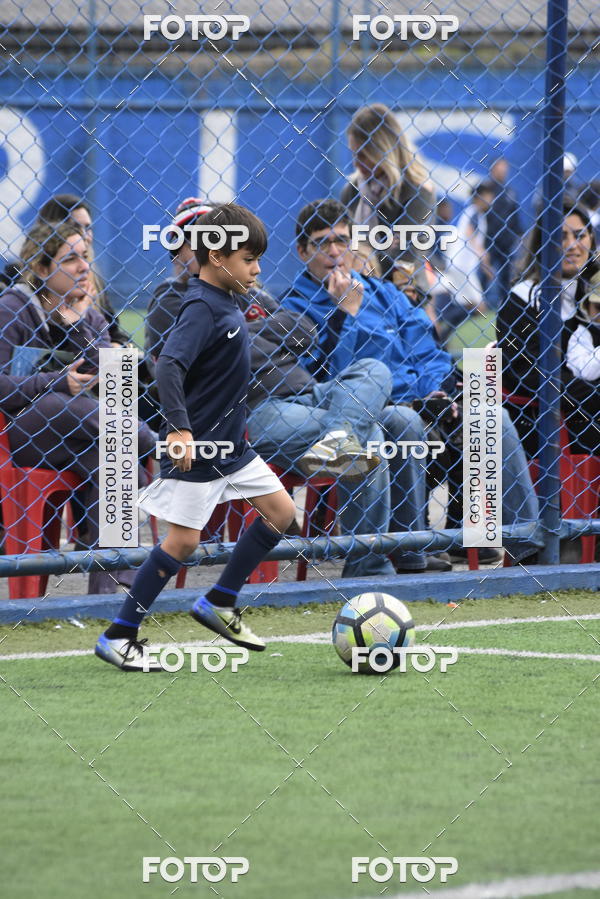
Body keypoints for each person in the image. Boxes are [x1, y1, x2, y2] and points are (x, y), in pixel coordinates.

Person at [281, 198, 541, 566]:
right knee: (405, 421)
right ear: (302, 251)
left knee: (490, 413)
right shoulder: (296, 307)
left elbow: (428, 350)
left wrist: (442, 390)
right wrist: (347, 316)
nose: (335, 252)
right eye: (323, 243)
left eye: (342, 240)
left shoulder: (383, 292)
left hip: (426, 400)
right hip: (370, 412)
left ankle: (527, 544)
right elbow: (325, 377)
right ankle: (410, 550)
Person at [145, 196, 395, 577]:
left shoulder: (249, 291)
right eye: (193, 237)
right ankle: (369, 567)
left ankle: (337, 440)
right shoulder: (173, 299)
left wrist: (244, 334)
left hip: (310, 393)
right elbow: (188, 363)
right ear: (179, 250)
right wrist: (256, 335)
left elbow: (305, 332)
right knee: (372, 435)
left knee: (374, 370)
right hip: (258, 408)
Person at [95, 204, 297, 671]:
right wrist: (181, 430)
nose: (258, 268)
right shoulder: (202, 305)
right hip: (200, 449)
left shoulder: (228, 300)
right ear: (217, 256)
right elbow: (168, 364)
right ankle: (119, 634)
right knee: (181, 544)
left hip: (233, 447)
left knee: (282, 512)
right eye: (249, 258)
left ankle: (220, 601)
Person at [0, 220, 156, 592]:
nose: (84, 267)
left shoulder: (84, 310)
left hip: (76, 430)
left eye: (84, 257)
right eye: (70, 260)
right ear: (41, 268)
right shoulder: (12, 307)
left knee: (121, 466)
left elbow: (115, 377)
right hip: (21, 431)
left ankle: (105, 590)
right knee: (134, 436)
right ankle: (145, 437)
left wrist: (81, 322)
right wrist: (57, 381)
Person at [497, 203, 599, 458]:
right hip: (546, 419)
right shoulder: (521, 299)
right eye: (560, 237)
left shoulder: (595, 291)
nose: (572, 245)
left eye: (580, 235)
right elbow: (528, 372)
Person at [341, 103, 436, 292]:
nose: (356, 164)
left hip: (404, 294)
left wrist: (363, 254)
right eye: (354, 154)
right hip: (356, 289)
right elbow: (342, 249)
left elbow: (406, 259)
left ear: (384, 151)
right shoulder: (352, 190)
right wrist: (384, 247)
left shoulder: (417, 191)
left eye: (364, 156)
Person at [37, 194, 131, 346]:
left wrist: (116, 349)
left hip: (88, 361)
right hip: (44, 364)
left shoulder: (90, 276)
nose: (84, 236)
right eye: (74, 227)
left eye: (88, 228)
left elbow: (115, 334)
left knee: (134, 364)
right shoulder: (19, 280)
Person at [435, 182, 495, 334]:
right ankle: (444, 327)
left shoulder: (475, 213)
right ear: (480, 197)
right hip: (461, 268)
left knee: (466, 304)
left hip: (461, 267)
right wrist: (483, 255)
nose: (492, 199)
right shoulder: (474, 211)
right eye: (489, 195)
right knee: (480, 307)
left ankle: (443, 330)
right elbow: (470, 232)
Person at [563, 269, 600, 454]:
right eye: (598, 308)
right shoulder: (581, 333)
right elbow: (586, 370)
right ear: (586, 306)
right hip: (590, 416)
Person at [486, 158, 523, 304]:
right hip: (488, 241)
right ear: (492, 169)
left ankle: (506, 302)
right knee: (486, 274)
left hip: (507, 241)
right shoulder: (486, 191)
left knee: (508, 274)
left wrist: (518, 235)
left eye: (505, 167)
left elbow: (515, 216)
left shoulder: (510, 192)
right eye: (499, 167)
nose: (503, 170)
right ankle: (483, 304)